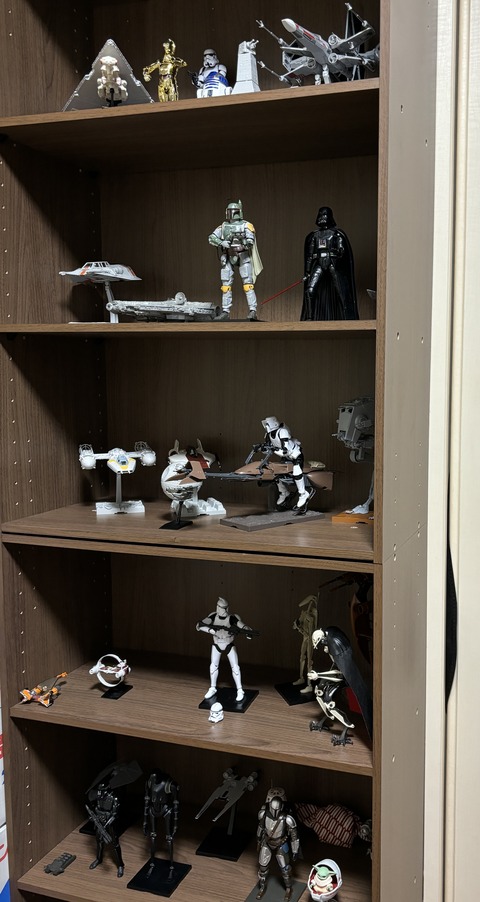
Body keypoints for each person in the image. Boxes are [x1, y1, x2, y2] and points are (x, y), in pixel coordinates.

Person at [208, 200, 263, 320]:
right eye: (230, 211)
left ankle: (253, 310)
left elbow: (250, 242)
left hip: (243, 255)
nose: (232, 214)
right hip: (228, 255)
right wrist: (221, 242)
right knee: (226, 285)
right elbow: (211, 238)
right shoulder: (223, 226)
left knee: (248, 285)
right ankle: (225, 311)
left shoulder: (246, 225)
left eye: (234, 211)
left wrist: (243, 241)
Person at [301, 206, 358, 320]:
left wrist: (339, 251)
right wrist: (307, 272)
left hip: (332, 263)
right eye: (320, 215)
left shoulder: (336, 234)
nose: (322, 217)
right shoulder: (314, 236)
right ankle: (309, 317)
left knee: (341, 291)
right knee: (310, 290)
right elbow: (309, 256)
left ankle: (347, 317)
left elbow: (342, 250)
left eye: (324, 215)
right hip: (319, 264)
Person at [196, 597, 255, 701]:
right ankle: (213, 688)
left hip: (228, 644)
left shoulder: (232, 618)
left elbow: (241, 625)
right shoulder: (213, 616)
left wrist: (247, 631)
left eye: (225, 608)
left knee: (235, 668)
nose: (223, 610)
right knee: (213, 667)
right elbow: (199, 625)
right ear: (217, 607)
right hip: (217, 644)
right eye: (221, 607)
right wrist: (210, 630)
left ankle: (240, 690)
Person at [261, 416, 313, 512]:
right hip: (286, 457)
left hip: (295, 454)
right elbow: (268, 448)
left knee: (297, 472)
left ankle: (303, 494)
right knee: (276, 472)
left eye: (267, 424)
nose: (266, 426)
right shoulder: (269, 435)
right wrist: (262, 448)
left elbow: (285, 450)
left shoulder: (282, 432)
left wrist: (274, 449)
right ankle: (284, 492)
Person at [256, 788, 300, 901]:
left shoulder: (287, 818)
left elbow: (294, 837)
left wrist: (295, 851)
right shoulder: (264, 814)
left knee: (285, 869)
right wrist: (258, 840)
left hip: (281, 843)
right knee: (262, 867)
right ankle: (262, 887)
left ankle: (288, 888)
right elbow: (260, 828)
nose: (275, 811)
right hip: (267, 842)